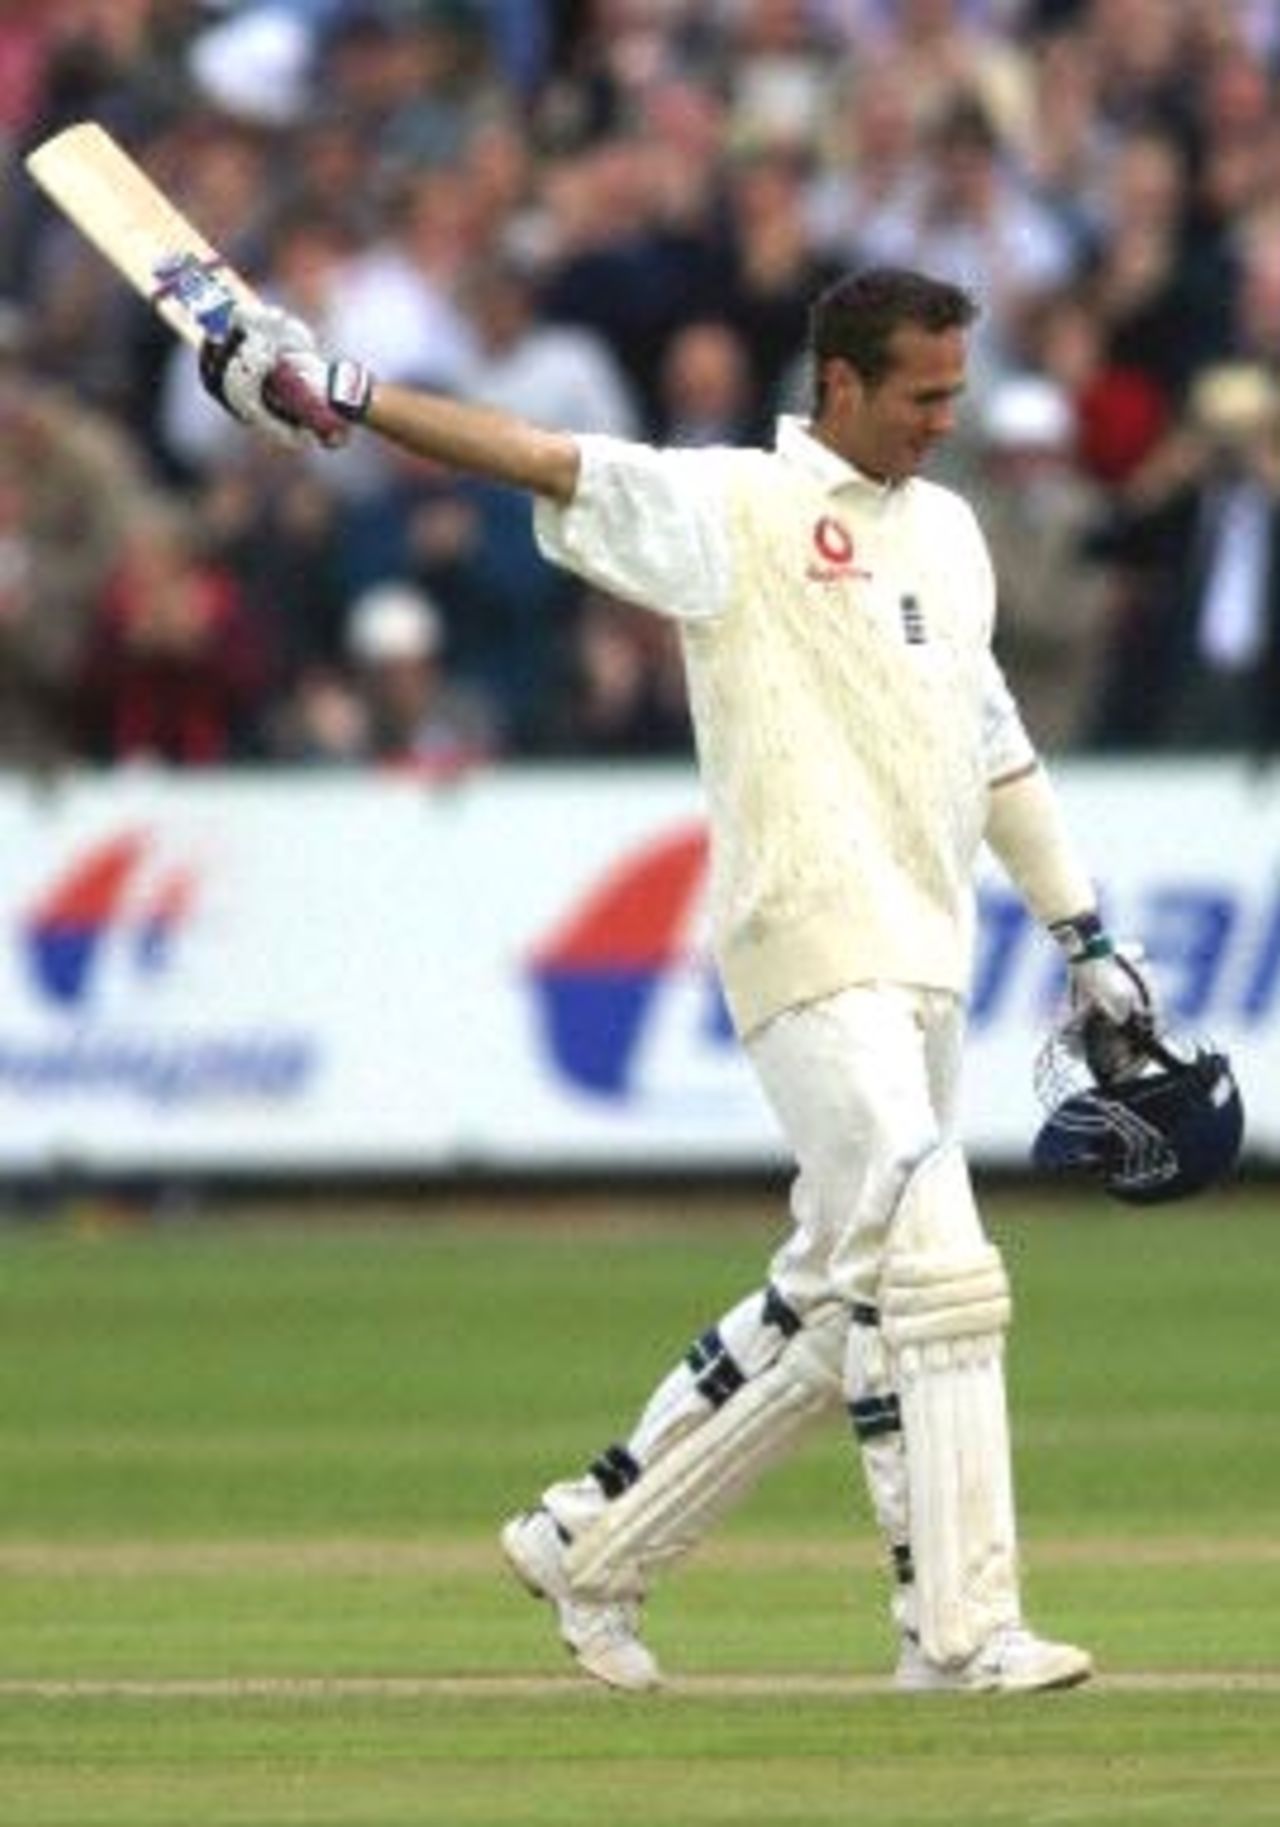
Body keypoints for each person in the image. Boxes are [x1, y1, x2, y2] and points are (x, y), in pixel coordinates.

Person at [195, 266, 1150, 1694]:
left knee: (839, 1303)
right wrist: (348, 394)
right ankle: (958, 1636)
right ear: (839, 383)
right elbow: (543, 454)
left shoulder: (951, 534)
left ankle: (590, 1546)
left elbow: (996, 743)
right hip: (808, 944)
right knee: (937, 1264)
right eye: (922, 395)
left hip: (927, 958)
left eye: (959, 391)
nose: (946, 421)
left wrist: (1084, 937)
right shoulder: (732, 509)